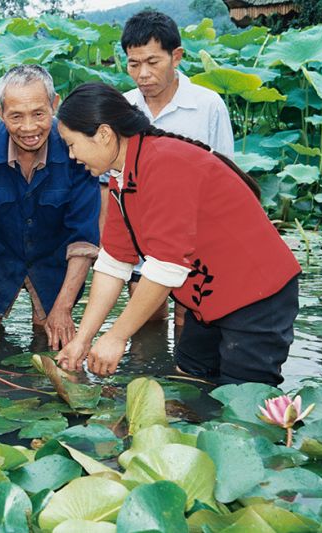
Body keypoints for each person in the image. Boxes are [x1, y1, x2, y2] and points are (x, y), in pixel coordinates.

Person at [55, 83, 300, 386]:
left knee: (243, 407)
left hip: (257, 298)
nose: (71, 155)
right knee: (188, 385)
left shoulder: (164, 163)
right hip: (209, 301)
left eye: (72, 144)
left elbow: (165, 267)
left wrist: (117, 336)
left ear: (104, 134)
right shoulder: (122, 177)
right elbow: (114, 263)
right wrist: (83, 339)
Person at [0, 65, 101, 352]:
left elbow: (83, 240)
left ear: (54, 105)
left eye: (39, 114)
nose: (29, 128)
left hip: (53, 262)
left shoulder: (75, 150)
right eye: (16, 116)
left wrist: (63, 308)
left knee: (51, 337)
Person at [103, 10, 236, 325]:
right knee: (145, 327)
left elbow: (228, 177)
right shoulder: (123, 109)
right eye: (134, 64)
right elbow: (111, 186)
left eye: (153, 62)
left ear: (176, 56)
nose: (143, 74)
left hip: (197, 242)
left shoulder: (208, 106)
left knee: (190, 327)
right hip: (142, 241)